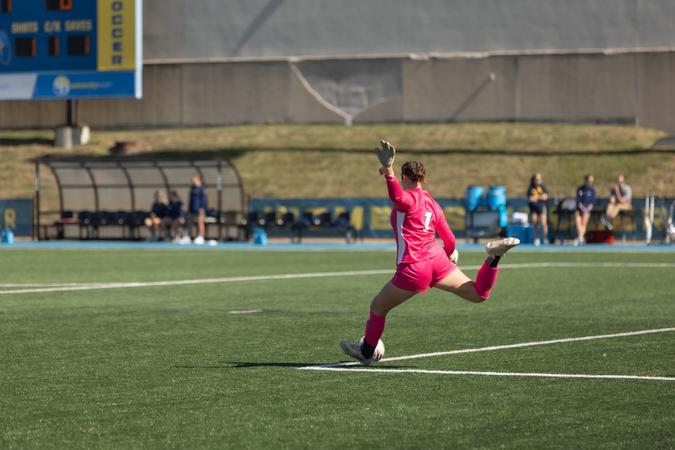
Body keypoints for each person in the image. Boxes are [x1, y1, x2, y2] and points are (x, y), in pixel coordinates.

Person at [340, 140, 520, 365]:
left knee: (378, 307)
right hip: (438, 261)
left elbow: (398, 197)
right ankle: (494, 258)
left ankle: (366, 352)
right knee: (478, 294)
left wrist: (388, 171)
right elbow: (450, 240)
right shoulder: (433, 204)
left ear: (405, 178)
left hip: (415, 266)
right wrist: (449, 254)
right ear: (423, 179)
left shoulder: (409, 198)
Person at [527, 173, 549, 246]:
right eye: (536, 179)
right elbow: (530, 199)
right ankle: (536, 238)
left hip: (541, 207)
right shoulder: (531, 187)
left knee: (543, 223)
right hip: (533, 208)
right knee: (535, 223)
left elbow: (545, 197)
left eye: (539, 179)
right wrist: (540, 197)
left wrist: (536, 197)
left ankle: (545, 238)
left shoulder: (542, 187)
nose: (538, 181)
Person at [574, 174, 596, 245]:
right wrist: (582, 208)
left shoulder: (592, 190)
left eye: (592, 182)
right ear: (586, 181)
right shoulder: (580, 189)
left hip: (587, 210)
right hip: (579, 209)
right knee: (578, 222)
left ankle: (580, 238)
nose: (590, 183)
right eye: (589, 181)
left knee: (584, 223)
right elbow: (578, 201)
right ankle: (581, 237)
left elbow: (592, 203)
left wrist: (587, 209)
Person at [189, 174, 208, 244]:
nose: (193, 181)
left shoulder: (202, 188)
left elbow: (204, 199)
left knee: (200, 222)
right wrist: (190, 209)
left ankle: (201, 236)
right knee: (193, 222)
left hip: (200, 209)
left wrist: (202, 208)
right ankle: (194, 236)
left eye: (194, 179)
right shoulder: (193, 188)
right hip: (193, 209)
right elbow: (191, 200)